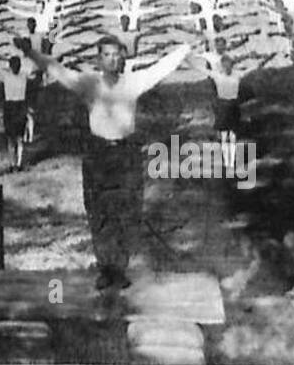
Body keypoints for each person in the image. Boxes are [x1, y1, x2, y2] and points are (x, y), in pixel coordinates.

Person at [22, 34, 194, 291]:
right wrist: (31, 53)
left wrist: (187, 46)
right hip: (98, 155)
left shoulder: (134, 82)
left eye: (117, 55)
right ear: (98, 59)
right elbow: (57, 70)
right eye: (107, 55)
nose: (113, 60)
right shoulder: (89, 83)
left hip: (126, 155)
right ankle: (106, 268)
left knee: (127, 211)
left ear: (123, 57)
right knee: (99, 212)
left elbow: (162, 67)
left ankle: (120, 268)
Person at [0, 54, 31, 171]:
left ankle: (13, 164)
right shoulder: (24, 76)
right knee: (19, 138)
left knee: (10, 139)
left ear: (10, 67)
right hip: (21, 106)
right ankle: (18, 163)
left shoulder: (5, 75)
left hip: (9, 107)